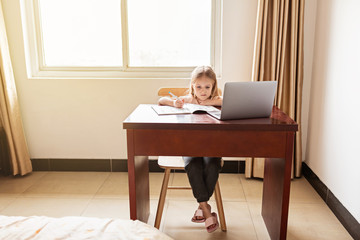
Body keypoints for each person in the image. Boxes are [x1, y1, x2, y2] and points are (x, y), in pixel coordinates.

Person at [158, 66, 223, 233]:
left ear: (213, 86)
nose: (203, 91)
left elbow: (229, 101)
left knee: (213, 165)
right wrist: (174, 102)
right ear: (193, 85)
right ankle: (206, 208)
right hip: (189, 145)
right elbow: (161, 101)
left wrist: (210, 101)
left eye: (207, 87)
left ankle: (202, 208)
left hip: (212, 146)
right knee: (193, 165)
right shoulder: (189, 99)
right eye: (198, 87)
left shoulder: (217, 99)